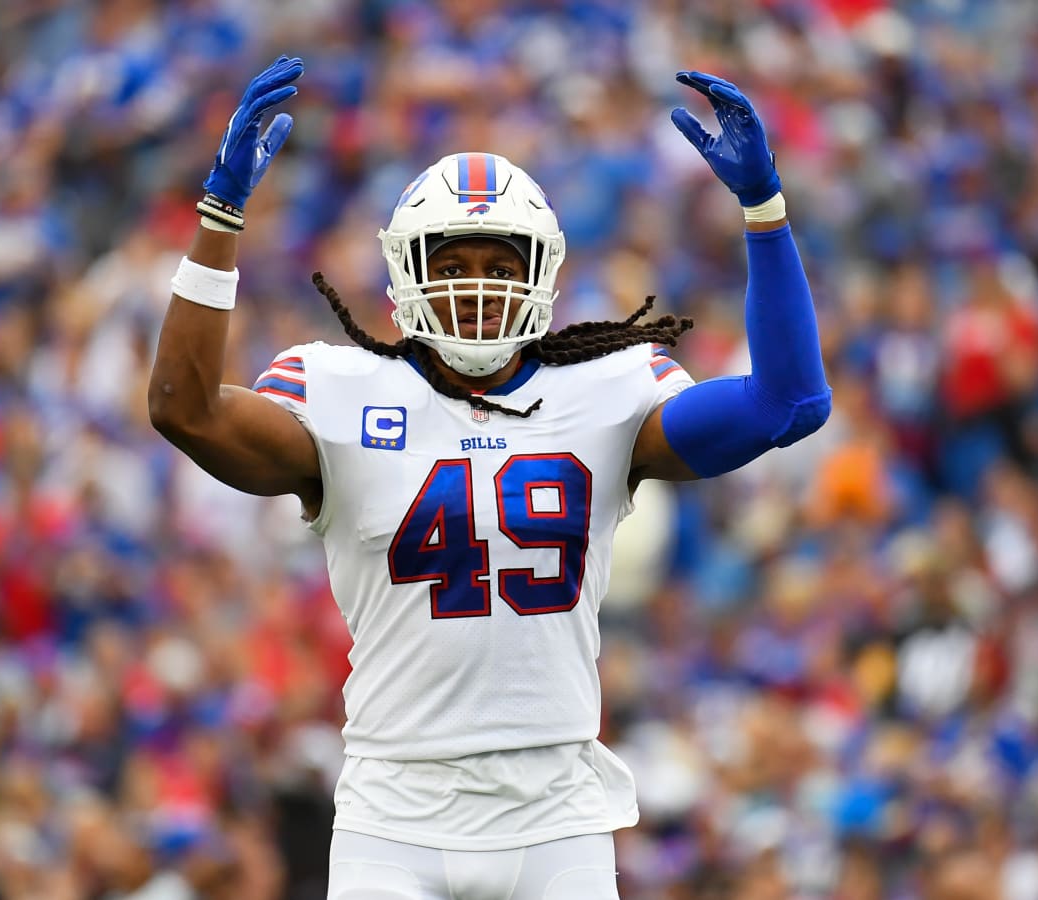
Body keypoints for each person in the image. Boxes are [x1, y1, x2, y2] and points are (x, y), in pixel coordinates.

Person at [148, 54, 831, 900]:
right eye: (454, 260)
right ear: (408, 271)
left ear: (540, 274)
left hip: (556, 814)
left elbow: (790, 402)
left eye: (500, 266)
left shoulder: (607, 390)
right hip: (394, 813)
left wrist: (765, 212)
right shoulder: (339, 389)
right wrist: (219, 216)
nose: (477, 286)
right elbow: (186, 410)